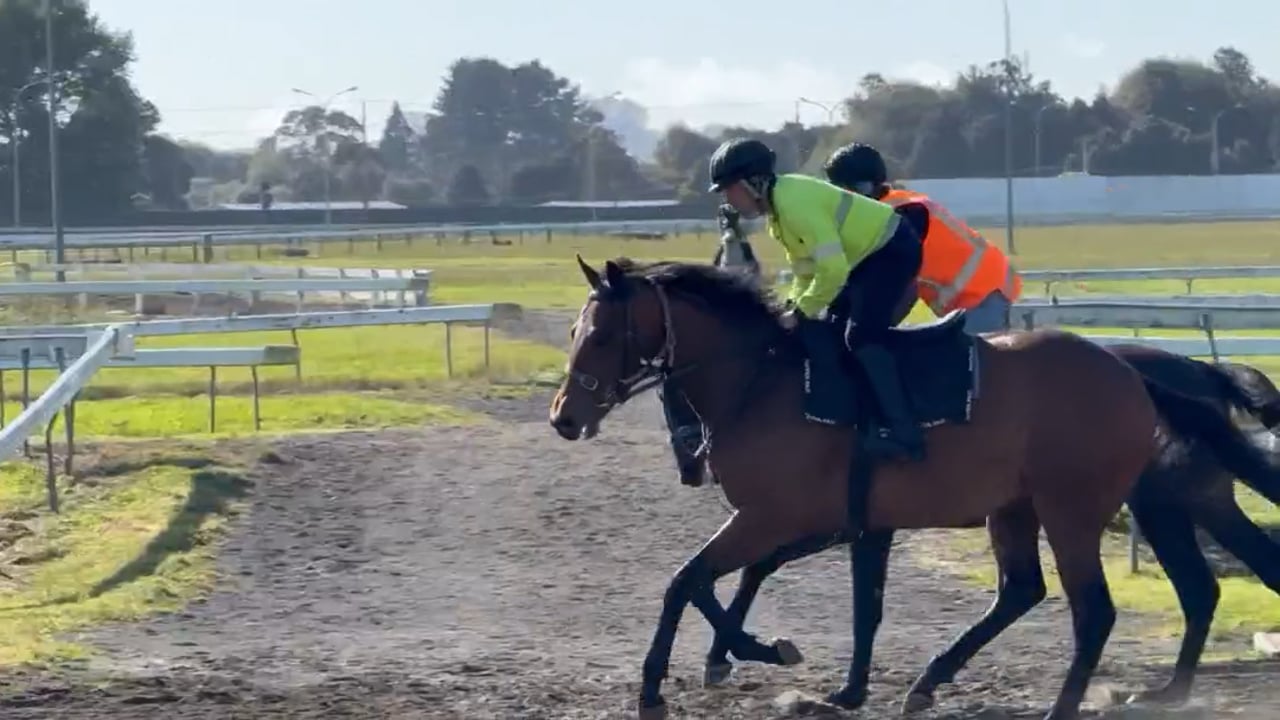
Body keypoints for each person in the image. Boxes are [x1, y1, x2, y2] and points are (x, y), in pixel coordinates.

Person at [662, 136, 926, 486]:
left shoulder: (793, 203)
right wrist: (792, 306)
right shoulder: (777, 214)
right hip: (866, 258)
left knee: (860, 337)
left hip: (892, 251)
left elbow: (832, 269)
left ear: (753, 183)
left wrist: (800, 312)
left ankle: (904, 432)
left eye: (729, 190)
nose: (728, 200)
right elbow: (805, 270)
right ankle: (857, 420)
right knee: (829, 332)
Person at [822, 142, 1022, 334]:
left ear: (870, 186)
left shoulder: (904, 214)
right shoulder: (884, 209)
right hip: (970, 293)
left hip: (985, 290)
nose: (848, 197)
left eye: (853, 190)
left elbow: (896, 285)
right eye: (839, 191)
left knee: (961, 357)